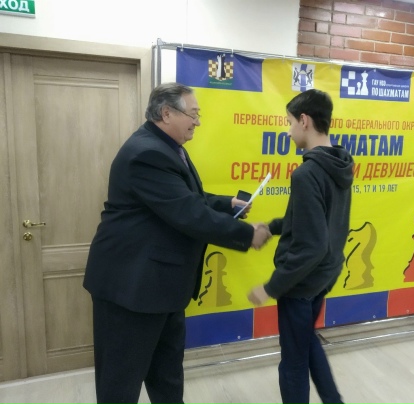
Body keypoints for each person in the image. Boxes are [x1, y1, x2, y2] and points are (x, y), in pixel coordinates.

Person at [83, 82, 271, 404]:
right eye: (193, 114)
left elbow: (186, 198)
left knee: (167, 378)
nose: (197, 122)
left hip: (162, 287)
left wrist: (226, 204)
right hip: (131, 290)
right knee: (120, 385)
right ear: (167, 113)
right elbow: (187, 213)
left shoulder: (168, 148)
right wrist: (245, 233)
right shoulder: (146, 154)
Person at [248, 89, 354, 404]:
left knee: (293, 362)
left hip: (301, 283)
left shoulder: (307, 173)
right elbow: (308, 219)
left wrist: (271, 287)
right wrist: (271, 228)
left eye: (290, 122)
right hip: (325, 274)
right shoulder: (339, 163)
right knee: (306, 341)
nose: (288, 130)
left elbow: (312, 245)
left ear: (304, 121)